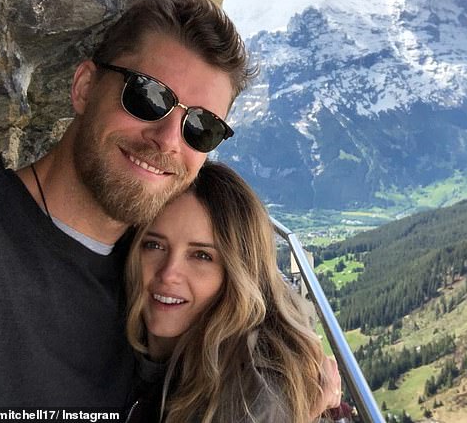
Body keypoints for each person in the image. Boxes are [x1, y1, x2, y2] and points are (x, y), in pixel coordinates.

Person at [0, 0, 340, 413]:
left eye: (202, 125)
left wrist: (296, 395)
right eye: (147, 96)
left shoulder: (152, 276)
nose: (168, 141)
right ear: (84, 87)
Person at [124, 161, 341, 422]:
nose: (169, 273)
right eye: (154, 245)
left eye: (201, 256)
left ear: (238, 275)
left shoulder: (248, 400)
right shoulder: (107, 316)